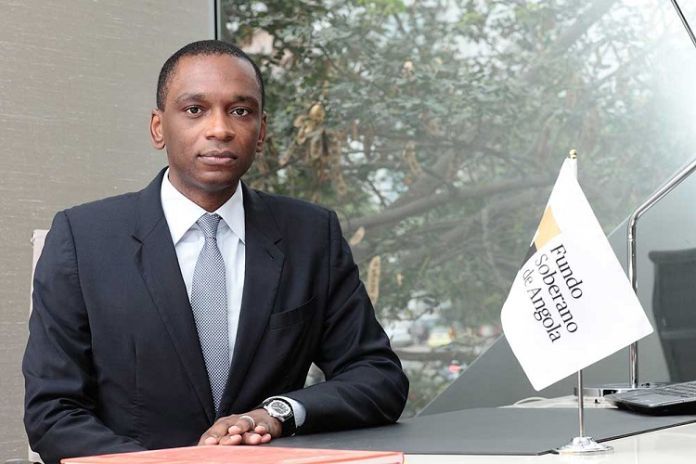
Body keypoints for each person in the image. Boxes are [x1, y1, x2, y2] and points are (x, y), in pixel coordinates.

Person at [23, 40, 409, 464]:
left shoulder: (311, 235)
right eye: (195, 109)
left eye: (240, 111)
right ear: (158, 127)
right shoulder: (82, 239)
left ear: (261, 131)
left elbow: (378, 378)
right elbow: (52, 412)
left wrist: (277, 413)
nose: (220, 129)